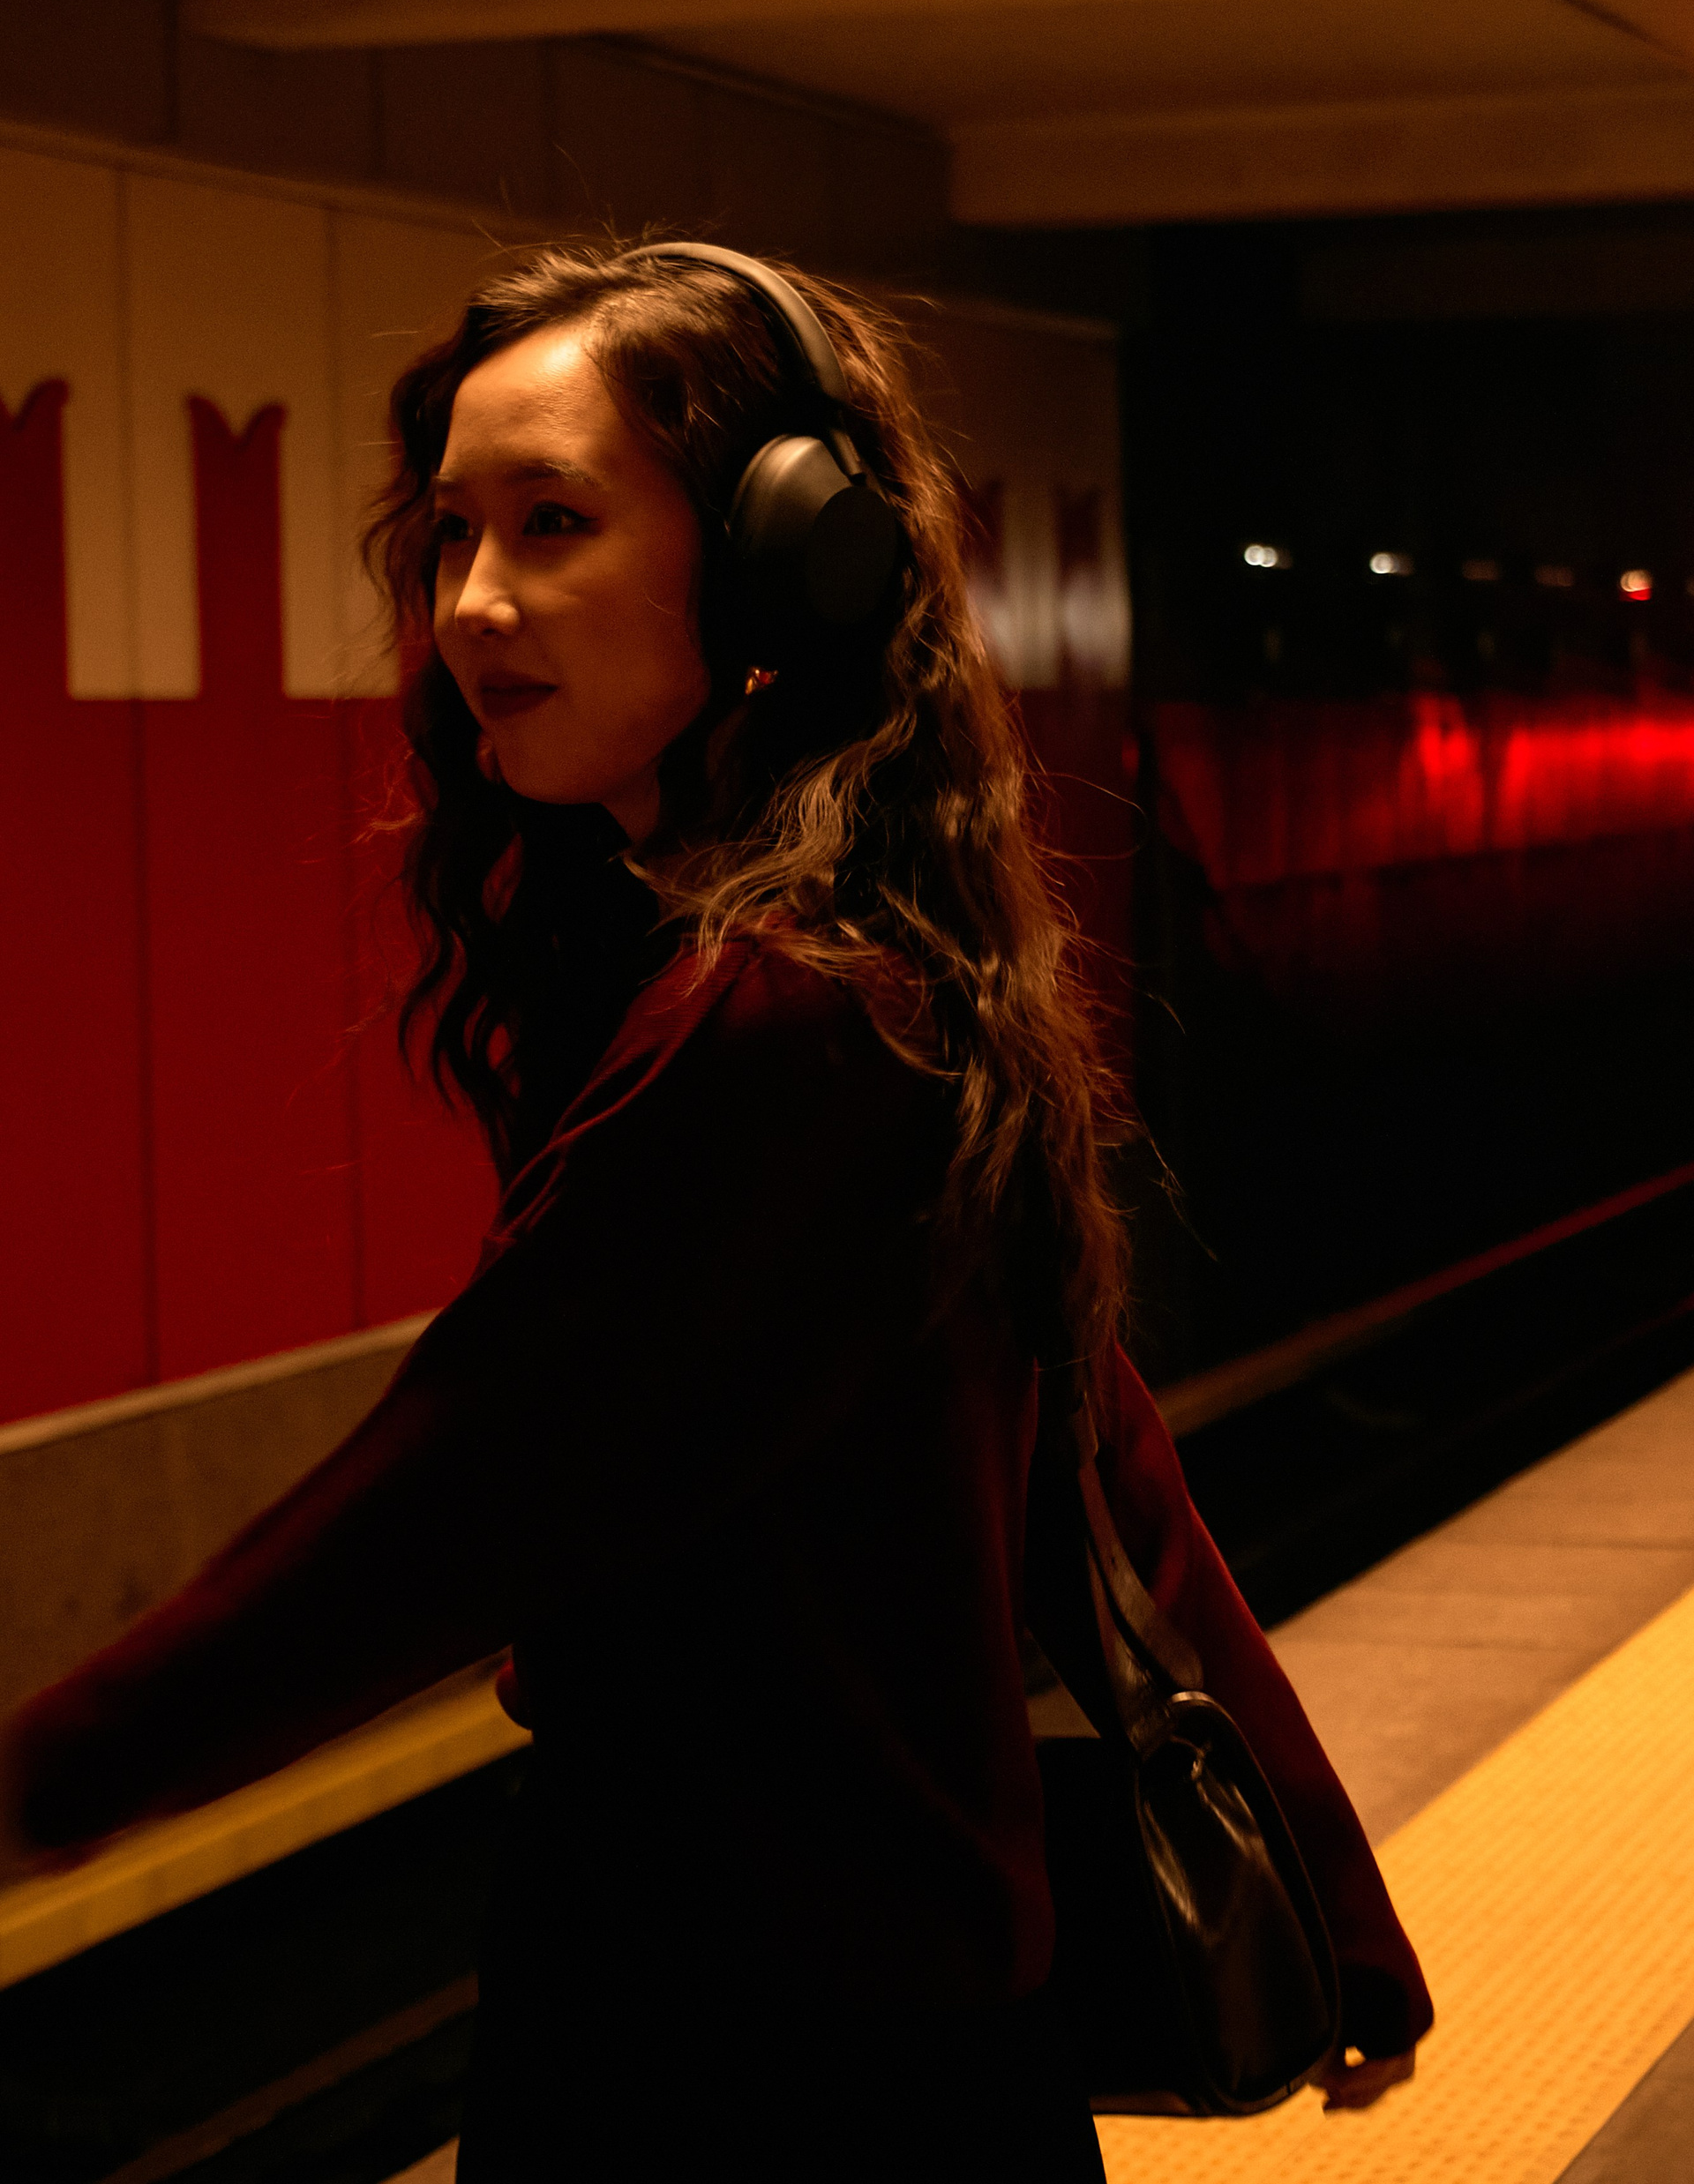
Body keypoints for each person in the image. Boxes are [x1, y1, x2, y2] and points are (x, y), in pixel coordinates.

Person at [0, 243, 1430, 2179]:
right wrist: (1334, 1900)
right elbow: (1104, 1467)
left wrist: (42, 1776)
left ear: (779, 566)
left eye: (554, 522)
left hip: (735, 2051)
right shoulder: (880, 973)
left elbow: (453, 1501)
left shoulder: (779, 1027)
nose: (472, 602)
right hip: (916, 2032)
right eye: (451, 534)